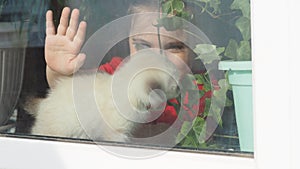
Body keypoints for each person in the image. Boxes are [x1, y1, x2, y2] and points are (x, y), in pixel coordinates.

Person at [44, 0, 209, 132]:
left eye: (173, 47)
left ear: (196, 51)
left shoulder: (201, 91)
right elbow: (70, 96)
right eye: (143, 46)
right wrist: (58, 71)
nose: (156, 59)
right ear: (128, 40)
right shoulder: (116, 73)